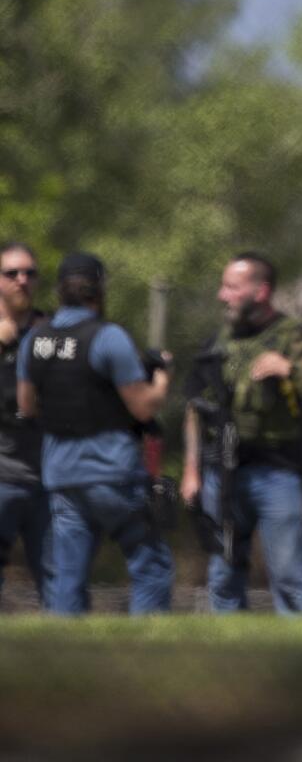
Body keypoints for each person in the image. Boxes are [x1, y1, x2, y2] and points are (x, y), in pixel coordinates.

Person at [16, 252, 173, 615]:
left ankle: (63, 657)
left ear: (59, 291)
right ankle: (149, 652)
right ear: (99, 290)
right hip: (111, 471)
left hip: (61, 474)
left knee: (67, 576)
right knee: (150, 562)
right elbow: (144, 407)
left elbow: (27, 406)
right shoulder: (108, 337)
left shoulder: (35, 340)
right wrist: (163, 376)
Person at [182, 253, 302, 615]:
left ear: (261, 291)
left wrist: (287, 369)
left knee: (290, 576)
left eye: (232, 286)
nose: (222, 295)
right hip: (222, 473)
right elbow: (195, 408)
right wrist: (191, 471)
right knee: (223, 573)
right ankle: (228, 658)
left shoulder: (296, 336)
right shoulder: (217, 343)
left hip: (277, 471)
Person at [0, 241, 50, 608]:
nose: (22, 280)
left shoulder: (50, 333)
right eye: (12, 273)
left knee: (57, 577)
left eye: (30, 273)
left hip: (46, 477)